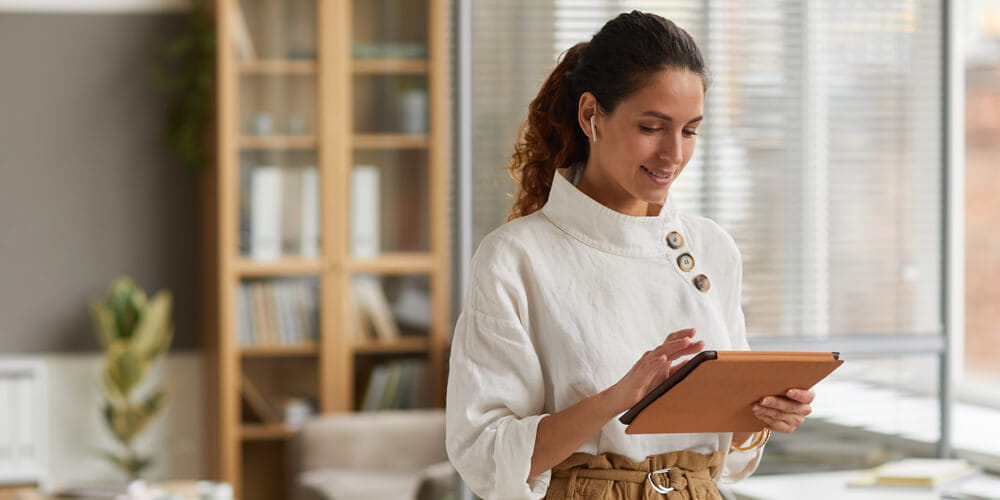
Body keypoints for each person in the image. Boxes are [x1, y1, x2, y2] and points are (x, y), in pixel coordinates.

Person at [445, 11, 815, 500]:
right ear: (590, 115)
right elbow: (484, 454)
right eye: (651, 126)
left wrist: (758, 419)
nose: (673, 154)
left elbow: (729, 460)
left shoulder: (711, 248)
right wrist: (617, 400)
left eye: (689, 131)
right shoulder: (517, 257)